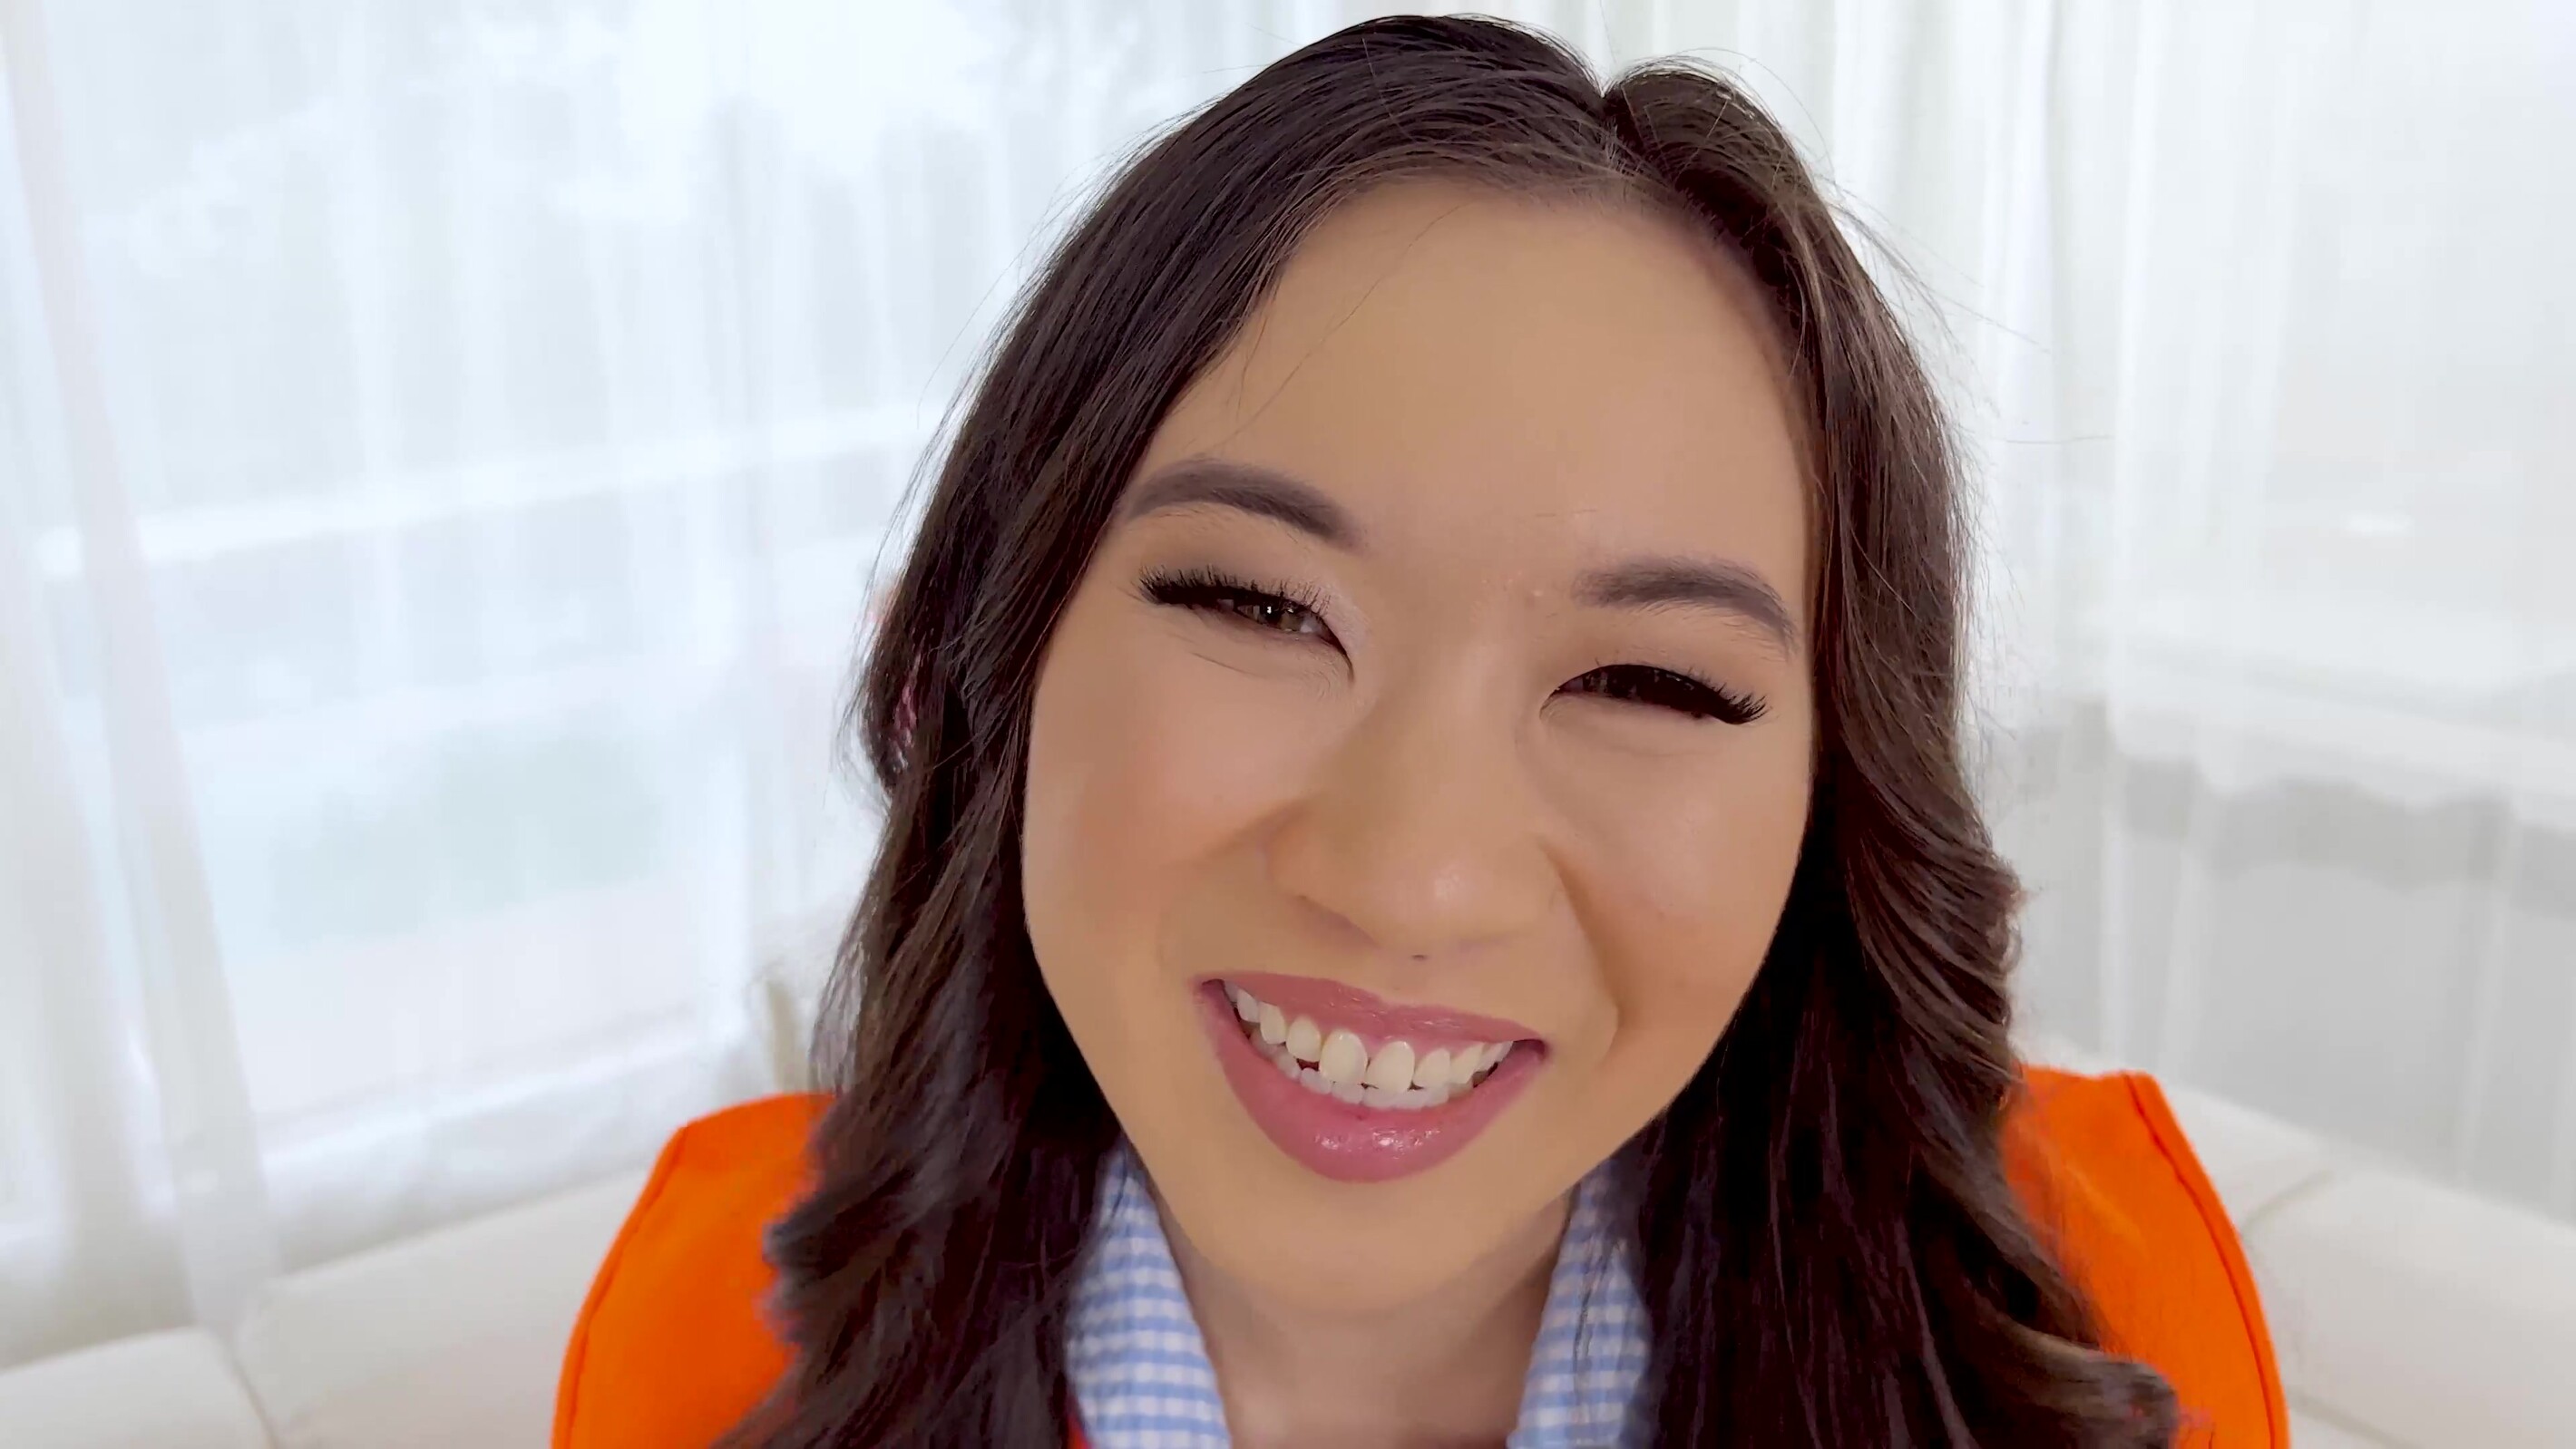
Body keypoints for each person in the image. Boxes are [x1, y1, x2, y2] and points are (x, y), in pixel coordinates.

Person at [553, 15, 2282, 1447]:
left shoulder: (2096, 1322)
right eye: (1259, 605)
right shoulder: (713, 1337)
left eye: (1650, 682)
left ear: (1834, 800)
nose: (1409, 879)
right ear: (997, 649)